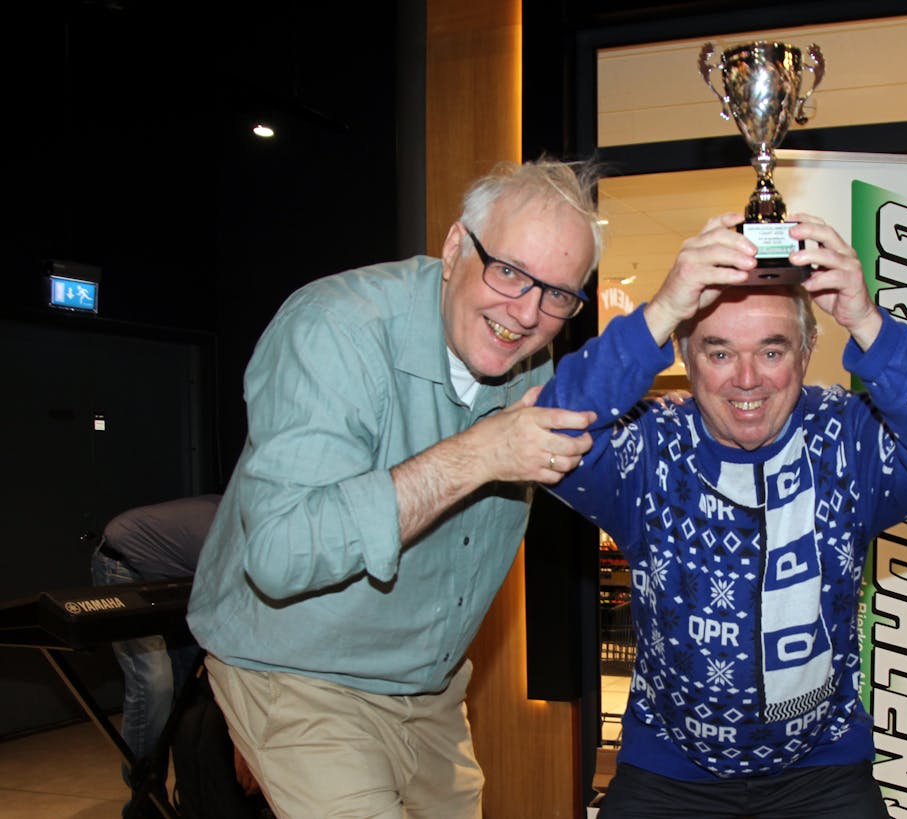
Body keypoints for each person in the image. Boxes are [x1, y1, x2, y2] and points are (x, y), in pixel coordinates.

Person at [538, 212, 907, 818]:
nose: (747, 379)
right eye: (719, 351)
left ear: (807, 351)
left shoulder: (847, 436)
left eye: (772, 350)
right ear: (684, 354)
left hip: (822, 772)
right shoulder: (648, 447)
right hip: (668, 773)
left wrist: (867, 321)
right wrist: (661, 311)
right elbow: (545, 433)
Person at [185, 159, 602, 818]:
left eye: (558, 295)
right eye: (509, 271)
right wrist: (480, 454)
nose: (526, 313)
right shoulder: (335, 327)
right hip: (298, 670)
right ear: (456, 246)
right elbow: (280, 551)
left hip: (429, 687)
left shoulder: (526, 355)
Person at [90, 494, 221, 814]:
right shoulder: (230, 540)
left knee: (192, 687)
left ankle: (193, 794)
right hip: (123, 565)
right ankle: (145, 799)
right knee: (155, 683)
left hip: (177, 575)